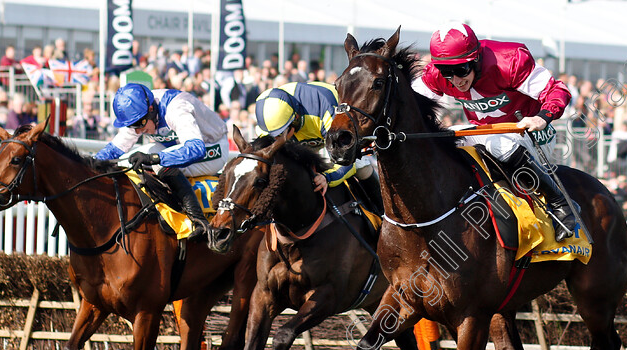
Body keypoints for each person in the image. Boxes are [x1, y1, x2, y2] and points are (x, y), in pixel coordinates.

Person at [411, 23, 575, 241]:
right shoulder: (436, 74)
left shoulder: (510, 60)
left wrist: (542, 117)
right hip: (484, 135)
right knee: (443, 137)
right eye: (447, 72)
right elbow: (410, 105)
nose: (456, 80)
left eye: (461, 70)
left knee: (497, 144)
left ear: (476, 59)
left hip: (531, 133)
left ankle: (561, 202)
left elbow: (557, 90)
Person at [95, 83, 230, 241]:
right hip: (181, 146)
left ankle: (198, 221)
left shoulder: (176, 109)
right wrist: (88, 163)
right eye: (132, 126)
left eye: (140, 124)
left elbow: (196, 149)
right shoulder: (140, 111)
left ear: (151, 110)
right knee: (130, 161)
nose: (137, 131)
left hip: (212, 148)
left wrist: (155, 159)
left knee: (158, 162)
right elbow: (115, 149)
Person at [253, 81, 381, 212]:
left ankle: (382, 211)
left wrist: (327, 178)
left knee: (361, 166)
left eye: (280, 133)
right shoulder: (270, 121)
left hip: (334, 129)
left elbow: (347, 162)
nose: (277, 139)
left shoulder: (325, 107)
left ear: (295, 118)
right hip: (307, 134)